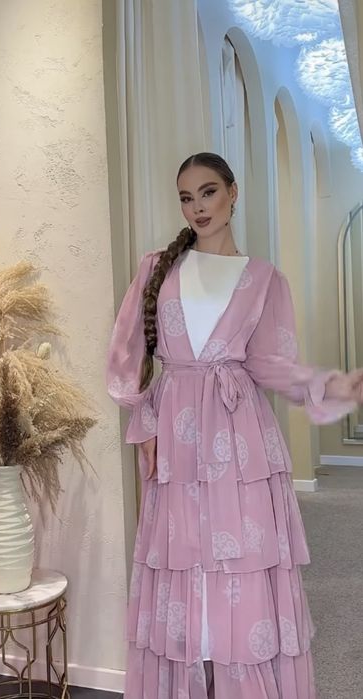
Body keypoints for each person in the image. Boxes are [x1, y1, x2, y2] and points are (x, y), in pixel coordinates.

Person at [106, 152, 363, 699]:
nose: (198, 206)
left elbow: (272, 364)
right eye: (186, 197)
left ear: (233, 193)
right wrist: (143, 423)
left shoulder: (263, 279)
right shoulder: (158, 267)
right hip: (176, 433)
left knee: (241, 560)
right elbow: (127, 353)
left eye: (208, 192)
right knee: (182, 557)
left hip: (239, 436)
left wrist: (333, 386)